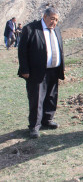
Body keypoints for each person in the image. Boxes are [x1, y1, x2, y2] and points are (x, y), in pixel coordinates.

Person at [18, 8, 65, 138]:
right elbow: (22, 51)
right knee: (37, 99)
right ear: (44, 16)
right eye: (52, 18)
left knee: (51, 96)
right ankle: (34, 126)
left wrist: (62, 67)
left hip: (54, 70)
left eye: (56, 20)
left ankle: (47, 120)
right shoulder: (31, 29)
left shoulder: (56, 30)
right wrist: (24, 69)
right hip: (36, 72)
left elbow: (60, 49)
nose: (54, 22)